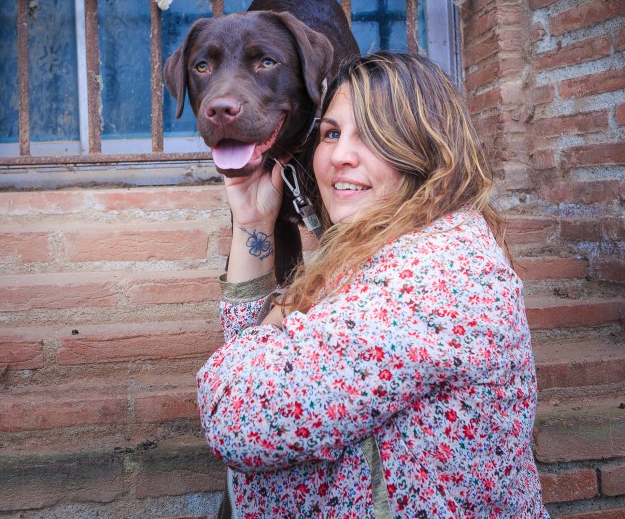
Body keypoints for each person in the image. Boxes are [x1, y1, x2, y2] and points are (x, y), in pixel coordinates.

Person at [197, 52, 549, 518]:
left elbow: (236, 418)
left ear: (427, 150)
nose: (341, 155)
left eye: (375, 136)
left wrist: (281, 321)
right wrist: (253, 221)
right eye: (332, 133)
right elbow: (258, 358)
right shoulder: (384, 248)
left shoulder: (437, 273)